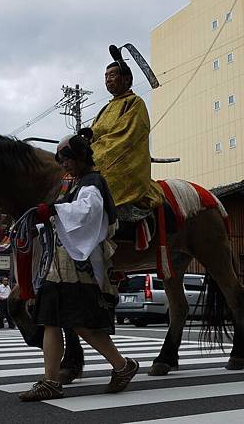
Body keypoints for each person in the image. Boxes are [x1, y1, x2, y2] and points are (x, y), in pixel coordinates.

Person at [18, 134, 139, 402]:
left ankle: (122, 366)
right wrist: (44, 219)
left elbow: (87, 214)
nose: (65, 165)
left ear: (82, 156)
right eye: (62, 160)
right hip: (61, 263)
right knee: (51, 320)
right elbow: (65, 215)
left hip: (78, 263)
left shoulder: (93, 183)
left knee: (82, 326)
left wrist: (53, 211)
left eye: (69, 159)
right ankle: (51, 380)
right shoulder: (76, 184)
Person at [87, 52, 164, 216]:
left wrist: (94, 152)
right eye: (106, 76)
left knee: (97, 171)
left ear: (126, 79)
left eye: (112, 75)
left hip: (121, 158)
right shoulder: (105, 109)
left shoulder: (135, 103)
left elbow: (127, 137)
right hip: (98, 152)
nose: (108, 79)